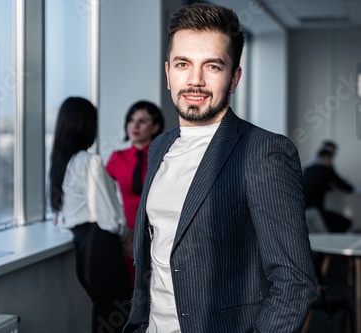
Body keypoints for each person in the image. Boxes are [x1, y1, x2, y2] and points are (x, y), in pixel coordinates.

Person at [124, 4, 317, 333]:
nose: (195, 80)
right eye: (183, 64)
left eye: (212, 66)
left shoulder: (264, 152)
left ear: (234, 77)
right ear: (168, 73)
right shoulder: (159, 147)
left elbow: (295, 282)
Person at [49, 97, 133, 332]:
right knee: (118, 315)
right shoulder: (89, 162)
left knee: (105, 315)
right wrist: (127, 234)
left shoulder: (63, 163)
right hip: (102, 249)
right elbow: (108, 215)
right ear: (85, 125)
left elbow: (66, 218)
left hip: (84, 251)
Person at [106, 100, 164, 284]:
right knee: (131, 291)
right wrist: (123, 234)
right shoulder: (117, 158)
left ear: (155, 127)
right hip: (128, 236)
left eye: (143, 121)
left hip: (160, 235)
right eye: (131, 120)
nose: (135, 125)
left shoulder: (164, 158)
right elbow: (103, 198)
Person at [303, 148, 354, 232]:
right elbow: (347, 187)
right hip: (315, 211)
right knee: (345, 223)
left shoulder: (308, 170)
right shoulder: (326, 170)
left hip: (303, 209)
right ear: (327, 158)